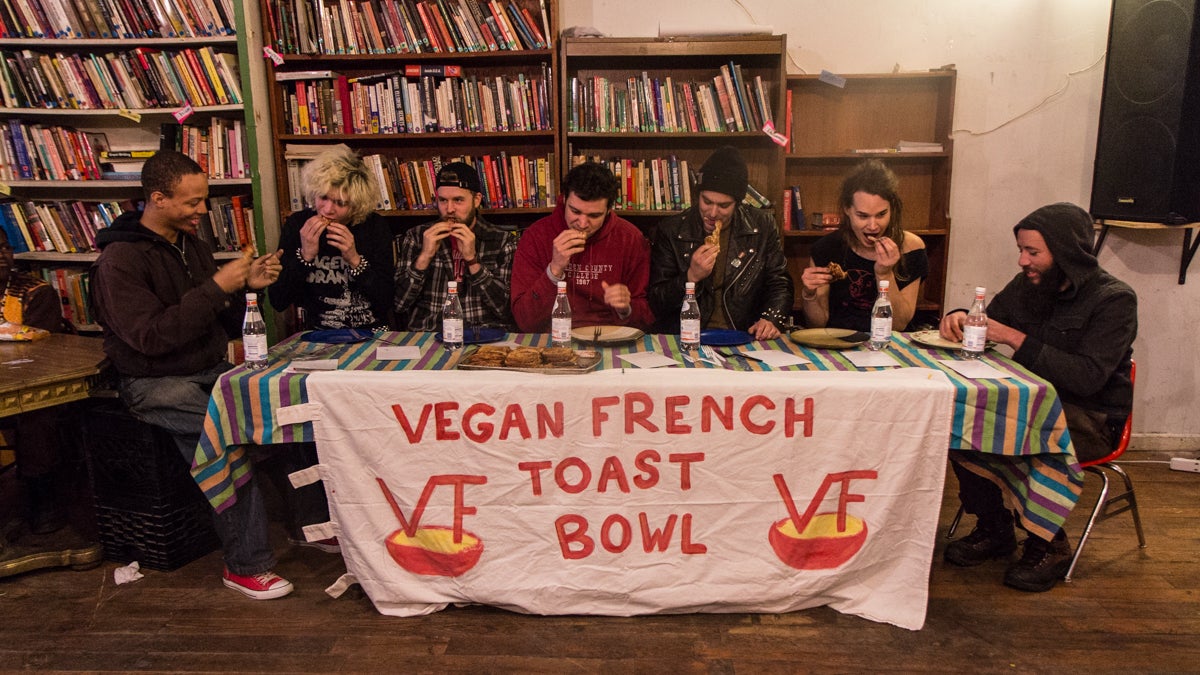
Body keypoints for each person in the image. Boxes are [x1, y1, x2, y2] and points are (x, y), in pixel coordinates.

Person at [91, 150, 297, 600]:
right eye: (192, 202)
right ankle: (246, 566)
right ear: (157, 198)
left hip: (207, 369)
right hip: (152, 383)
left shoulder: (193, 247)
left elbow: (216, 325)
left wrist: (246, 290)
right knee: (223, 438)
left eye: (204, 200)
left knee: (290, 406)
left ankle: (309, 529)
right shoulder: (119, 260)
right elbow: (150, 338)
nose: (203, 211)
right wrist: (218, 286)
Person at [939, 202, 1137, 592]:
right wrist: (963, 316)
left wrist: (1014, 337)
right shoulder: (1031, 284)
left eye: (1033, 252)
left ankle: (1048, 543)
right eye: (1021, 249)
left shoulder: (1114, 300)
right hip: (1031, 403)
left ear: (1065, 253)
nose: (1022, 260)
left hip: (1089, 418)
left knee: (1030, 441)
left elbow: (1086, 378)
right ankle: (995, 528)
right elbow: (990, 320)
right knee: (955, 424)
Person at [648, 145, 793, 338]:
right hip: (687, 336)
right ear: (697, 196)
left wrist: (771, 319)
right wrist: (691, 276)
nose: (713, 213)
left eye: (724, 205)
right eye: (706, 202)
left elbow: (779, 282)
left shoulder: (762, 225)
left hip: (744, 333)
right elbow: (657, 301)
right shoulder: (672, 230)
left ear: (738, 202)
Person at [511, 162, 654, 332]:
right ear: (564, 200)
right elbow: (524, 321)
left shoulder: (631, 238)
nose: (583, 223)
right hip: (554, 339)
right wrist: (554, 270)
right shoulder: (536, 236)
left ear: (609, 210)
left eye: (594, 215)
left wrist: (626, 309)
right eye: (575, 211)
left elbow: (646, 319)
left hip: (611, 337)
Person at [268, 144, 394, 332]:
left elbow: (387, 300)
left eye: (340, 203)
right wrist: (305, 256)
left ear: (356, 204)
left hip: (373, 332)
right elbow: (278, 301)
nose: (328, 209)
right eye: (323, 197)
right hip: (320, 334)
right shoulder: (298, 225)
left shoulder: (374, 226)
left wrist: (354, 260)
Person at [799, 159, 928, 331]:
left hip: (888, 345)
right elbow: (817, 325)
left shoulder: (911, 247)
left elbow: (898, 324)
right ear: (847, 209)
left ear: (892, 209)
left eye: (881, 214)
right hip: (839, 341)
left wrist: (885, 273)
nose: (873, 226)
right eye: (863, 216)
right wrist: (809, 294)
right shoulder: (826, 248)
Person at [394, 161, 517, 331]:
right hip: (429, 333)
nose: (449, 209)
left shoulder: (502, 241)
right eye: (443, 200)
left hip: (483, 334)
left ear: (476, 200)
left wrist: (473, 262)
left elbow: (505, 310)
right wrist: (424, 258)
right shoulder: (416, 237)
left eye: (458, 200)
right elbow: (399, 305)